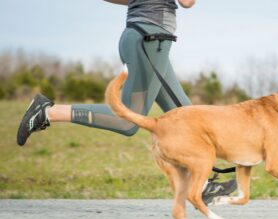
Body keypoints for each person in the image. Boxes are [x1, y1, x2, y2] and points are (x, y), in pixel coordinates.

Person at [16, 0, 236, 204]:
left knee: (188, 115)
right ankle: (48, 112)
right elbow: (187, 2)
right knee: (128, 121)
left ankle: (202, 186)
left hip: (139, 37)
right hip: (150, 40)